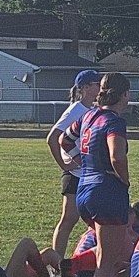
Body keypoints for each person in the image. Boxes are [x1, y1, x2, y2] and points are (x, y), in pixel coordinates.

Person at [61, 71, 132, 277]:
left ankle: (77, 263)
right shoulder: (114, 121)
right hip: (107, 192)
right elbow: (116, 155)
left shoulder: (88, 115)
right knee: (109, 259)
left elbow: (64, 140)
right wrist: (124, 178)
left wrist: (80, 163)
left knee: (122, 247)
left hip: (84, 190)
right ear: (125, 94)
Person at [46, 69, 101, 261]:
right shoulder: (76, 110)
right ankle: (56, 264)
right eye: (95, 84)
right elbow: (53, 137)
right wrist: (64, 164)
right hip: (76, 175)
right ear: (85, 88)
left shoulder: (91, 110)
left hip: (89, 174)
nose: (99, 86)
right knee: (68, 220)